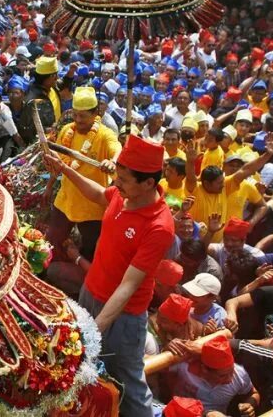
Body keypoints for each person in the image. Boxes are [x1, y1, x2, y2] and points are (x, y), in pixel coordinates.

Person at [44, 134, 174, 416]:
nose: (116, 183)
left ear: (149, 183)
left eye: (124, 179)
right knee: (87, 368)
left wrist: (93, 330)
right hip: (90, 295)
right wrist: (65, 169)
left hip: (122, 317)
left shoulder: (159, 226)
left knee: (129, 385)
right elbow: (97, 194)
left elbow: (128, 286)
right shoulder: (124, 194)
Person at [45, 87, 120, 263]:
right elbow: (59, 163)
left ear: (96, 114)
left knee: (91, 252)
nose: (78, 121)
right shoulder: (66, 131)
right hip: (65, 200)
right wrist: (49, 187)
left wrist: (113, 162)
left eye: (83, 116)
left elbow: (116, 148)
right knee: (51, 243)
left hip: (92, 207)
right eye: (76, 115)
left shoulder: (104, 135)